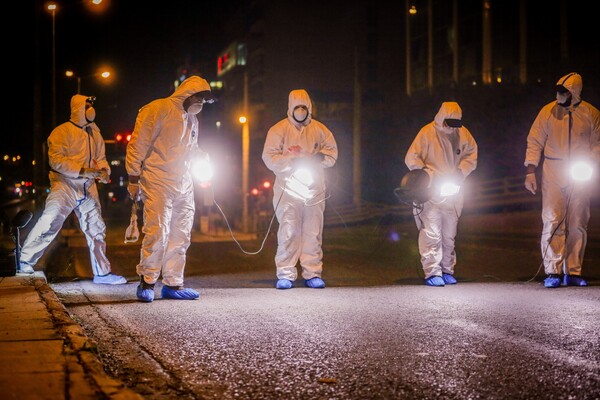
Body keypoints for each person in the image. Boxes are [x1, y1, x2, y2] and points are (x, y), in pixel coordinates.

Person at [18, 95, 127, 285]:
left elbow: (101, 157)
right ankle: (25, 260)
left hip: (88, 186)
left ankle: (102, 273)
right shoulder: (61, 132)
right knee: (51, 220)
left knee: (96, 228)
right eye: (87, 105)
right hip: (65, 184)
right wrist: (82, 170)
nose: (91, 109)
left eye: (92, 105)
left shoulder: (95, 133)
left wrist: (104, 171)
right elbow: (56, 160)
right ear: (77, 108)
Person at [126, 75, 216, 302]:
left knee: (181, 234)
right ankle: (147, 281)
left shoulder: (193, 120)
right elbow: (138, 144)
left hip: (184, 183)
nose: (201, 105)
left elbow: (191, 149)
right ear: (188, 94)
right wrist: (133, 178)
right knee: (158, 232)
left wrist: (203, 159)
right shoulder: (158, 109)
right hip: (157, 180)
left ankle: (173, 284)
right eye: (200, 99)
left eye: (205, 102)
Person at [524, 72, 600, 288]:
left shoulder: (591, 114)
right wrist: (531, 170)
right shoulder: (547, 112)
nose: (559, 95)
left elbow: (598, 143)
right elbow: (535, 140)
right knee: (553, 218)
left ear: (574, 93)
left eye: (564, 92)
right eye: (558, 91)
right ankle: (552, 271)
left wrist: (592, 162)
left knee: (578, 221)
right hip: (553, 169)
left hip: (580, 169)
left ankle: (573, 271)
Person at [262, 89, 338, 289]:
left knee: (313, 232)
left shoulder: (320, 130)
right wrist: (291, 162)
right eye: (297, 108)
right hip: (288, 190)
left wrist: (319, 158)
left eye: (304, 108)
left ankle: (312, 272)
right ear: (290, 108)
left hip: (314, 188)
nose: (301, 111)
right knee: (289, 230)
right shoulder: (278, 130)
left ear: (309, 108)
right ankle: (285, 273)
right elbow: (269, 156)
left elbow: (332, 153)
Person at [404, 101, 478, 287]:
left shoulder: (462, 133)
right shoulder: (427, 133)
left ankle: (447, 270)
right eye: (448, 123)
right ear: (441, 118)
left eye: (455, 124)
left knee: (449, 234)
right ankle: (432, 271)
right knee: (432, 233)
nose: (450, 128)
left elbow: (471, 155)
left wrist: (461, 171)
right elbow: (411, 157)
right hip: (430, 192)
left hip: (453, 190)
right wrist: (426, 175)